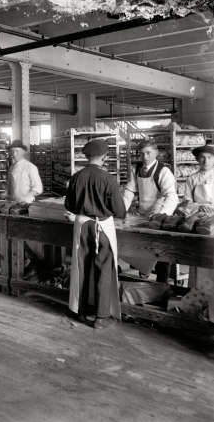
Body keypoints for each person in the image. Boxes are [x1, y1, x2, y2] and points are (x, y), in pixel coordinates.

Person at [65, 140, 127, 329]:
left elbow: (70, 206)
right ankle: (101, 316)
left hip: (83, 224)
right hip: (104, 226)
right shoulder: (109, 179)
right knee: (104, 269)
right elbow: (119, 210)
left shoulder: (76, 177)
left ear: (86, 156)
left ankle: (81, 311)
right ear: (105, 157)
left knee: (80, 267)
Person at [122, 139, 178, 282]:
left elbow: (171, 196)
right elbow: (129, 190)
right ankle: (143, 275)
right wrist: (122, 209)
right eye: (142, 154)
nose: (145, 157)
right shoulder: (136, 169)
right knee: (140, 249)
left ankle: (162, 284)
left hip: (159, 216)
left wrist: (161, 215)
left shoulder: (163, 171)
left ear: (156, 153)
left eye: (148, 153)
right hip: (142, 215)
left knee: (161, 253)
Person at [183, 145, 214, 288]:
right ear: (196, 159)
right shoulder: (192, 179)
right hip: (199, 221)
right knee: (199, 259)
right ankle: (197, 295)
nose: (205, 161)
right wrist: (198, 206)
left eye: (209, 157)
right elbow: (186, 203)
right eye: (202, 157)